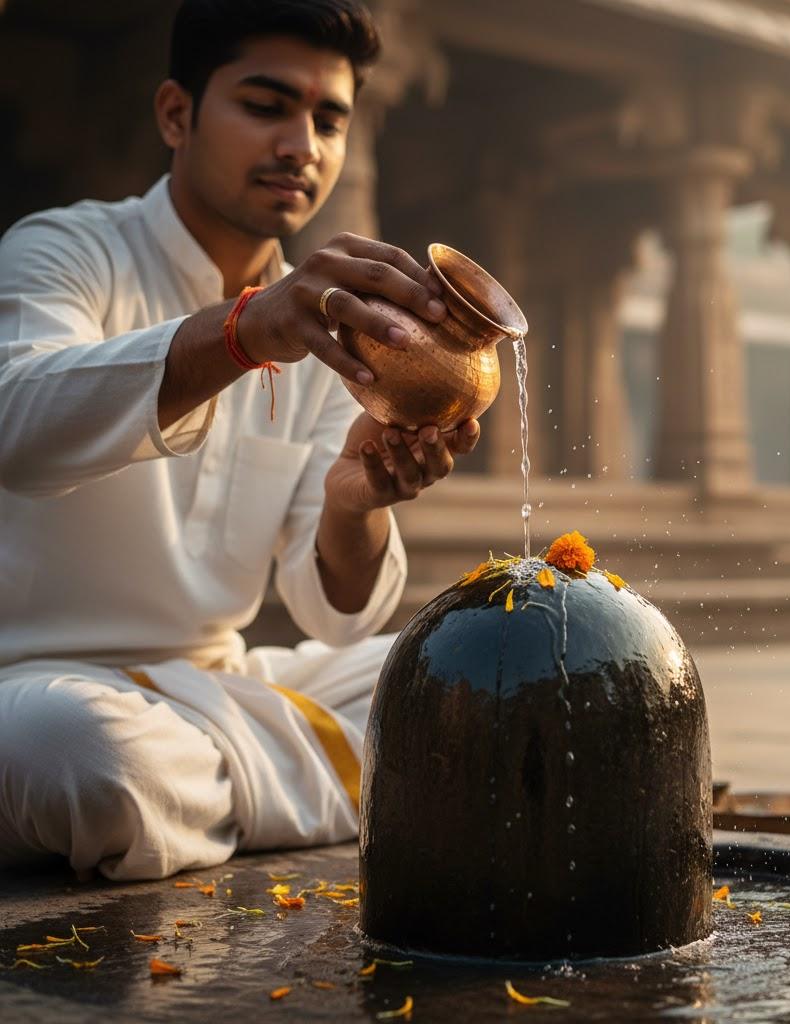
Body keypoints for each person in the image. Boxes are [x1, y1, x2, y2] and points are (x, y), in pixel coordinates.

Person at [0, 0, 479, 880]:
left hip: (218, 683)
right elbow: (15, 425)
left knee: (456, 675)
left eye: (329, 118)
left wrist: (354, 503)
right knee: (83, 759)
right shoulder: (65, 250)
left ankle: (216, 801)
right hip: (38, 684)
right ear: (176, 113)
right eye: (266, 106)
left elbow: (332, 611)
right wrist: (238, 335)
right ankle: (348, 783)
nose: (303, 144)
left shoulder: (325, 318)